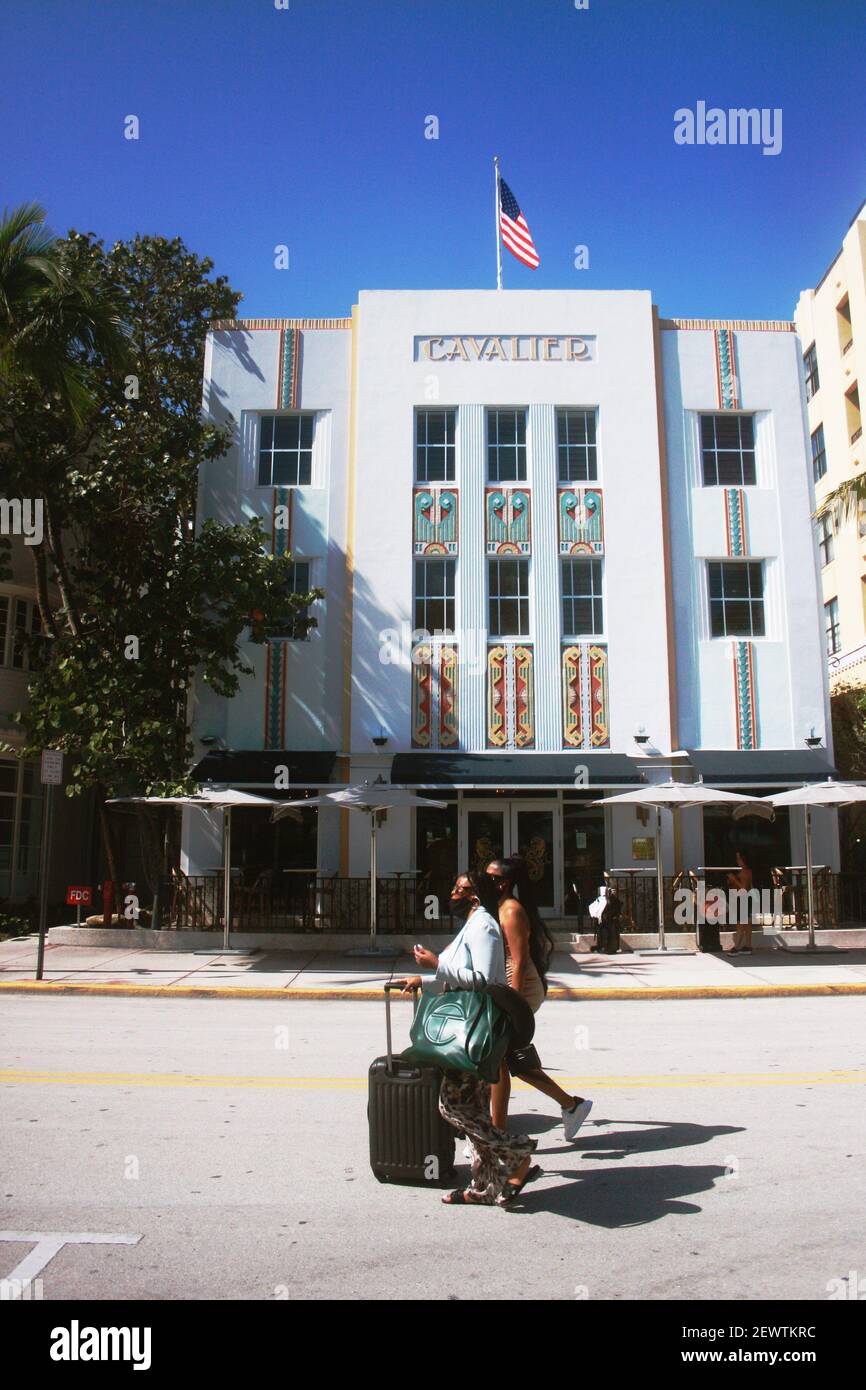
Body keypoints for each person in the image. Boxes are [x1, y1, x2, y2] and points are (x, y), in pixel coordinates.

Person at [396, 869, 539, 1207]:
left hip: (471, 1033)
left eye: (459, 889)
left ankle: (516, 1152)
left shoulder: (486, 926)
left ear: (474, 897)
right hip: (461, 1030)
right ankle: (485, 1186)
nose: (452, 894)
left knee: (451, 1106)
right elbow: (455, 977)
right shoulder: (473, 925)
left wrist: (436, 965)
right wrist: (424, 979)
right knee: (473, 1109)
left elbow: (485, 980)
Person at [485, 857, 593, 1141]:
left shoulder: (510, 910)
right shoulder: (495, 907)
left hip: (519, 985)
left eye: (489, 876)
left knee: (500, 1059)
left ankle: (498, 1134)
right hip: (504, 983)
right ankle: (572, 1105)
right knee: (507, 1057)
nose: (483, 881)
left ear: (503, 883)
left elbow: (519, 962)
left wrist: (514, 1005)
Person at [726, 851, 754, 955]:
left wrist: (734, 879)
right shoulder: (741, 871)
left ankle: (736, 947)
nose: (737, 861)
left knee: (742, 924)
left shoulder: (745, 872)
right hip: (740, 898)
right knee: (746, 924)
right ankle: (748, 945)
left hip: (743, 898)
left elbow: (744, 888)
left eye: (739, 859)